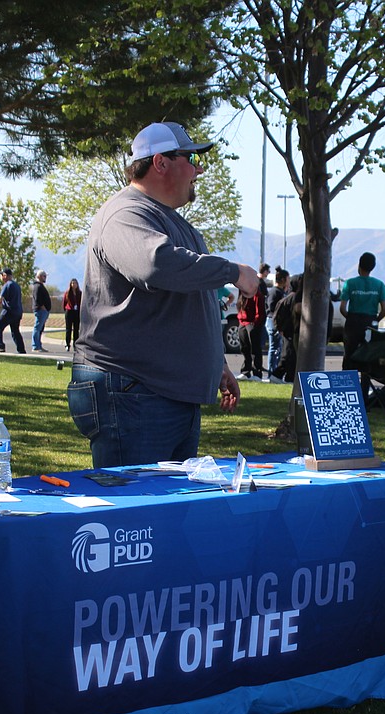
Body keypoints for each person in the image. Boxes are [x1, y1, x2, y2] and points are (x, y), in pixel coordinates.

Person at [68, 121, 260, 467]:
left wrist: (215, 366)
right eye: (191, 158)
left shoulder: (165, 219)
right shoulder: (126, 214)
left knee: (165, 514)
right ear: (160, 162)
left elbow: (180, 298)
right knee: (135, 512)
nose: (198, 169)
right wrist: (233, 272)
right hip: (133, 392)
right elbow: (156, 265)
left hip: (158, 393)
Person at [340, 252, 385, 394]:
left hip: (353, 322)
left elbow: (343, 308)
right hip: (370, 323)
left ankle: (346, 392)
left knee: (349, 357)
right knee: (367, 359)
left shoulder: (350, 283)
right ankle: (364, 397)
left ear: (359, 265)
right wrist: (375, 320)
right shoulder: (379, 285)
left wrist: (351, 317)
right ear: (372, 267)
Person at [0, 267, 26, 353]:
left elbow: (0, 299)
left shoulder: (7, 285)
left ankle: (0, 346)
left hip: (9, 311)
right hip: (18, 312)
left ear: (5, 275)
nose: (1, 277)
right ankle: (21, 350)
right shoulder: (16, 285)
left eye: (2, 275)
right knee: (15, 331)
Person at [235, 284, 265, 380]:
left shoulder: (257, 295)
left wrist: (255, 323)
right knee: (244, 347)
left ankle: (257, 372)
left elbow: (260, 312)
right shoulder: (242, 293)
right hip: (243, 322)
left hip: (252, 323)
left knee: (255, 348)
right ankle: (246, 370)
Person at [266, 267, 289, 382]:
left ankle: (274, 372)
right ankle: (272, 372)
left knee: (278, 348)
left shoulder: (282, 292)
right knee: (274, 348)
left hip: (276, 322)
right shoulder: (275, 292)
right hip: (273, 322)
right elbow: (271, 308)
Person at [30, 268, 51, 352]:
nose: (45, 277)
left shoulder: (40, 286)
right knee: (37, 328)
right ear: (39, 276)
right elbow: (37, 299)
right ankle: (35, 346)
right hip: (40, 311)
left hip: (44, 311)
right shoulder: (37, 286)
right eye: (44, 276)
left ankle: (39, 345)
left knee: (40, 329)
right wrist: (43, 307)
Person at [63, 277, 81, 350]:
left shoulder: (79, 293)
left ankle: (75, 345)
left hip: (76, 312)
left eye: (75, 283)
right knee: (68, 329)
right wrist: (66, 309)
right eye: (72, 283)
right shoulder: (67, 293)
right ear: (70, 284)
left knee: (76, 329)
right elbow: (64, 303)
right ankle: (67, 344)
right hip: (69, 312)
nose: (74, 285)